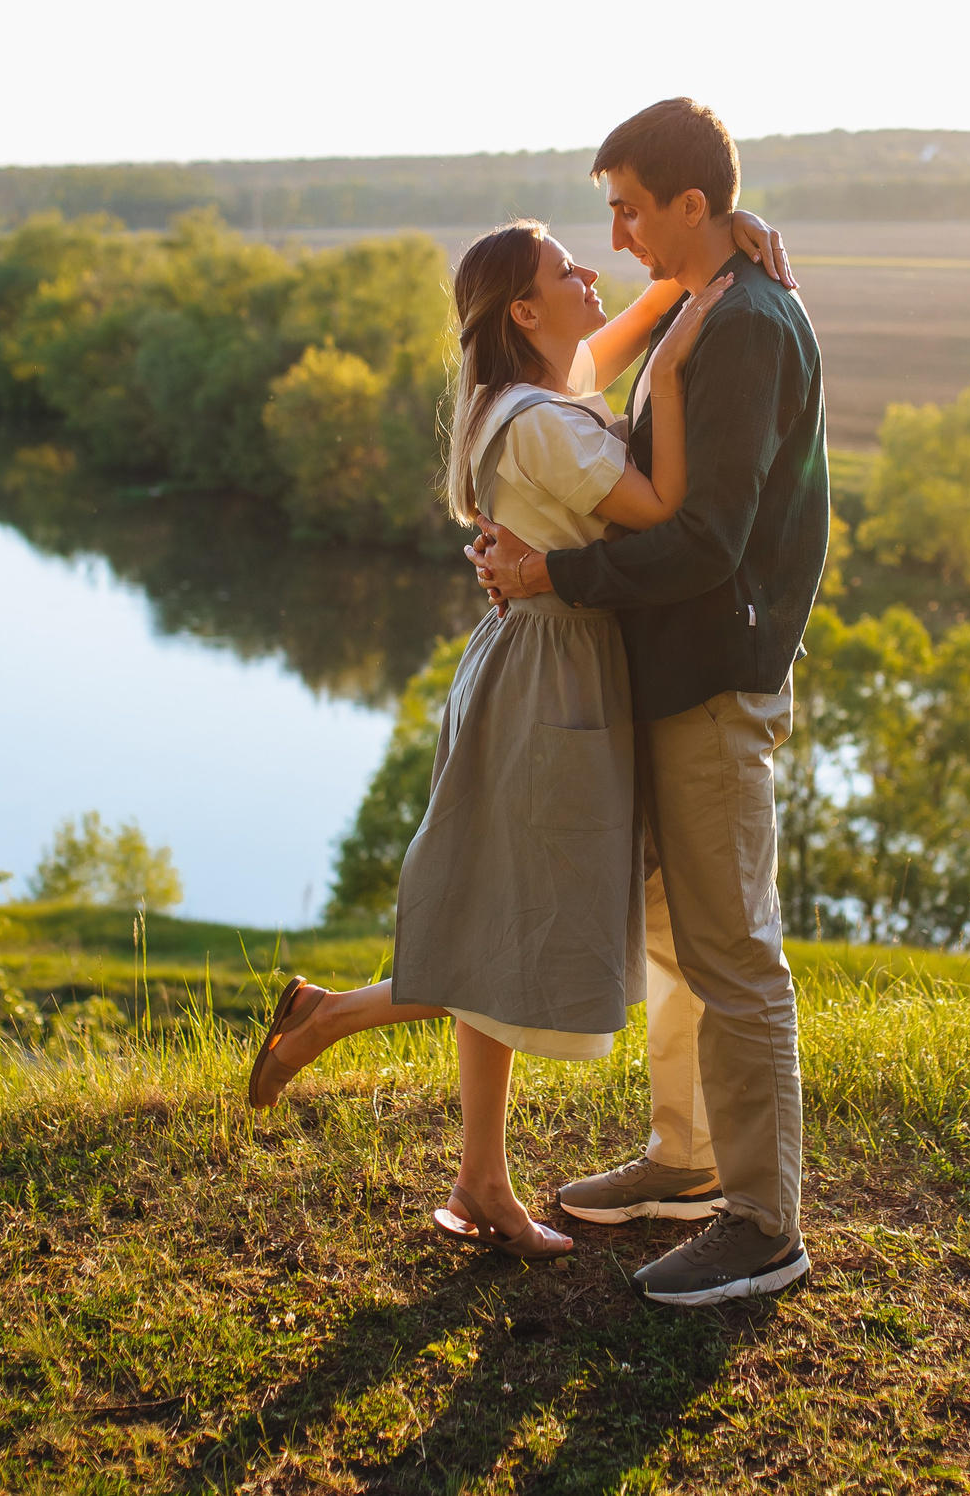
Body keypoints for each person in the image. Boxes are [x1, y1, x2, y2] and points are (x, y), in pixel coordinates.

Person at [242, 207, 794, 1261]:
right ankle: (325, 1020)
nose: (591, 268)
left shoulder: (532, 391)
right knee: (517, 917)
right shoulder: (541, 422)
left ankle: (479, 1178)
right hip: (553, 678)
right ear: (524, 309)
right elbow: (670, 503)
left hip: (550, 663)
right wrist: (676, 367)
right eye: (563, 265)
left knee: (508, 906)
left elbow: (614, 332)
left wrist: (714, 250)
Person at [470, 97, 828, 1308]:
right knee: (680, 934)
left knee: (733, 950)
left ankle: (763, 1220)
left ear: (689, 204)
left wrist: (550, 570)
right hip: (662, 673)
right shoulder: (708, 303)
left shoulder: (741, 330)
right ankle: (684, 1162)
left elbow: (707, 543)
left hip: (712, 678)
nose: (613, 231)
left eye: (627, 207)